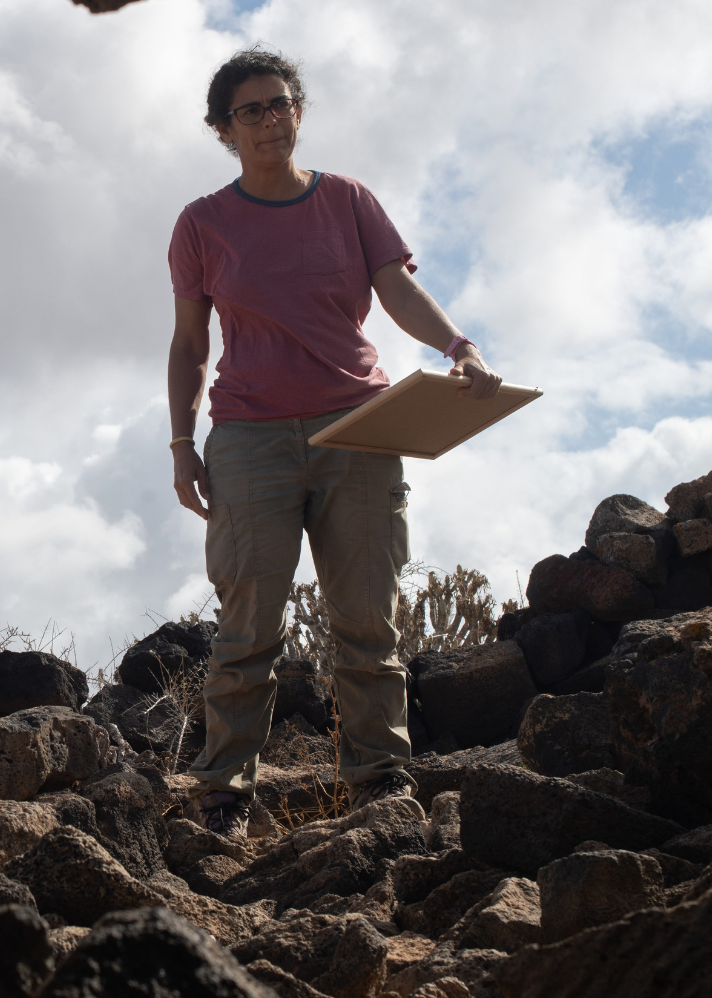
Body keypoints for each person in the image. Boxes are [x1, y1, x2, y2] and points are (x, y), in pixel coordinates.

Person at [167, 48, 503, 836]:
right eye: (250, 110)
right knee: (250, 621)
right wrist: (182, 444)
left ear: (300, 111)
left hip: (359, 428)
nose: (269, 119)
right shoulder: (202, 223)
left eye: (281, 103)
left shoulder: (348, 200)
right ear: (223, 129)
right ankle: (224, 796)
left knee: (367, 618)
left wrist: (460, 348)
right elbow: (189, 344)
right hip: (248, 435)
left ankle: (381, 786)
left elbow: (395, 288)